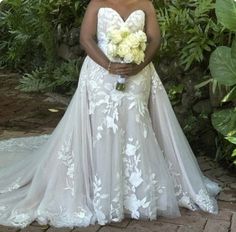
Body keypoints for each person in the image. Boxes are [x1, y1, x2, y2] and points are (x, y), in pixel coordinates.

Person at [0, 0, 221, 229]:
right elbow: (86, 39)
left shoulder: (145, 3)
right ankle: (103, 190)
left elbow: (155, 39)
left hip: (138, 71)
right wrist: (108, 65)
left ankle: (135, 193)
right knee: (103, 125)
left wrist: (139, 64)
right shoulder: (98, 2)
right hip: (99, 73)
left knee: (136, 121)